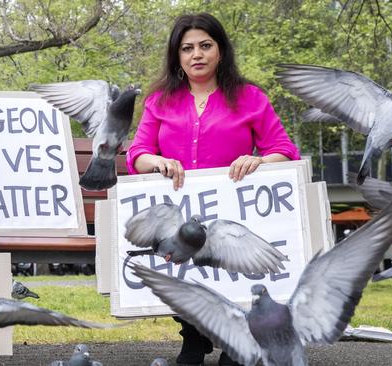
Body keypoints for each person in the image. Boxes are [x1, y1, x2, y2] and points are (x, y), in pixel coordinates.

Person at [126, 13, 300, 366]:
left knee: (228, 267)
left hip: (232, 208)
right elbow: (137, 155)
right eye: (187, 48)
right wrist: (157, 162)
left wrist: (260, 162)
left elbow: (284, 151)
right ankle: (194, 335)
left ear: (221, 51)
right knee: (185, 267)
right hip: (179, 213)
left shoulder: (250, 97)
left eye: (206, 46)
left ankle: (236, 343)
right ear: (177, 56)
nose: (197, 55)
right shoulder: (159, 100)